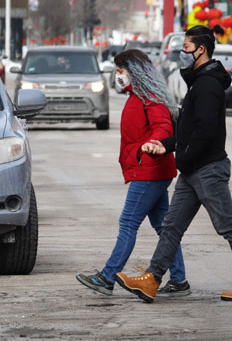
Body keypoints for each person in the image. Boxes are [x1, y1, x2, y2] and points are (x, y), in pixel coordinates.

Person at [115, 25, 232, 304]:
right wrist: (167, 146)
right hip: (192, 169)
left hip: (207, 169)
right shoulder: (199, 80)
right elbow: (188, 128)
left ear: (201, 50)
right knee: (171, 227)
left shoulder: (207, 84)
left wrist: (183, 154)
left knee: (227, 226)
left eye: (186, 49)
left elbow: (205, 130)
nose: (182, 54)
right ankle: (153, 278)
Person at [75, 49, 189, 298]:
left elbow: (162, 126)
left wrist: (152, 145)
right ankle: (179, 281)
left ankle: (107, 277)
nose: (118, 76)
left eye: (121, 71)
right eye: (116, 71)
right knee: (163, 228)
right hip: (149, 169)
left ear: (134, 71)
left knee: (128, 223)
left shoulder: (150, 98)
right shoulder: (137, 96)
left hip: (149, 169)